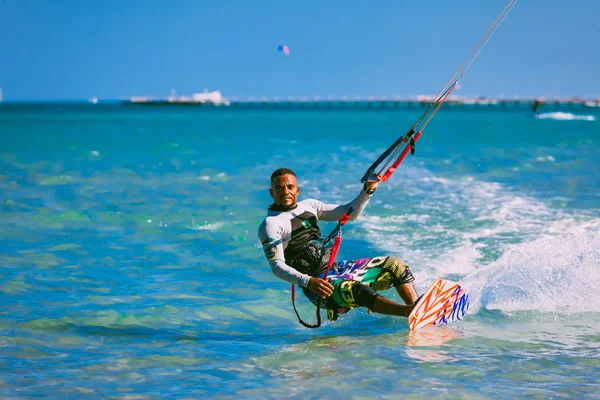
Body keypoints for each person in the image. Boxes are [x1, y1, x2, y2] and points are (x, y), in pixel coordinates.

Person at [258, 168, 419, 324]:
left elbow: (348, 213)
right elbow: (277, 266)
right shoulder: (270, 224)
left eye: (290, 187)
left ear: (297, 190)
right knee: (356, 290)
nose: (285, 191)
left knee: (395, 265)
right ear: (272, 193)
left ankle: (419, 310)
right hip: (319, 286)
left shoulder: (310, 206)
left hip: (336, 269)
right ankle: (409, 312)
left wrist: (367, 191)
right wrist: (309, 282)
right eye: (279, 188)